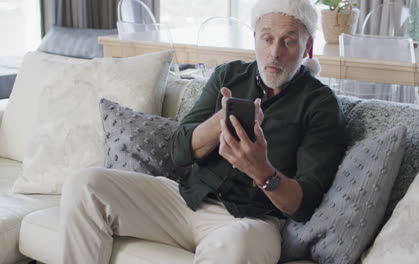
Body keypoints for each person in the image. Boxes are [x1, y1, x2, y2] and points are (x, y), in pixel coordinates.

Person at [59, 0, 346, 263]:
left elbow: (304, 205)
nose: (275, 52)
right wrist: (219, 120)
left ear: (308, 48)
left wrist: (262, 172)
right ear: (255, 39)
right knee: (85, 184)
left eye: (289, 42)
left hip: (251, 220)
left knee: (237, 246)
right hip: (184, 200)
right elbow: (179, 151)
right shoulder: (228, 76)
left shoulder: (320, 104)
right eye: (267, 38)